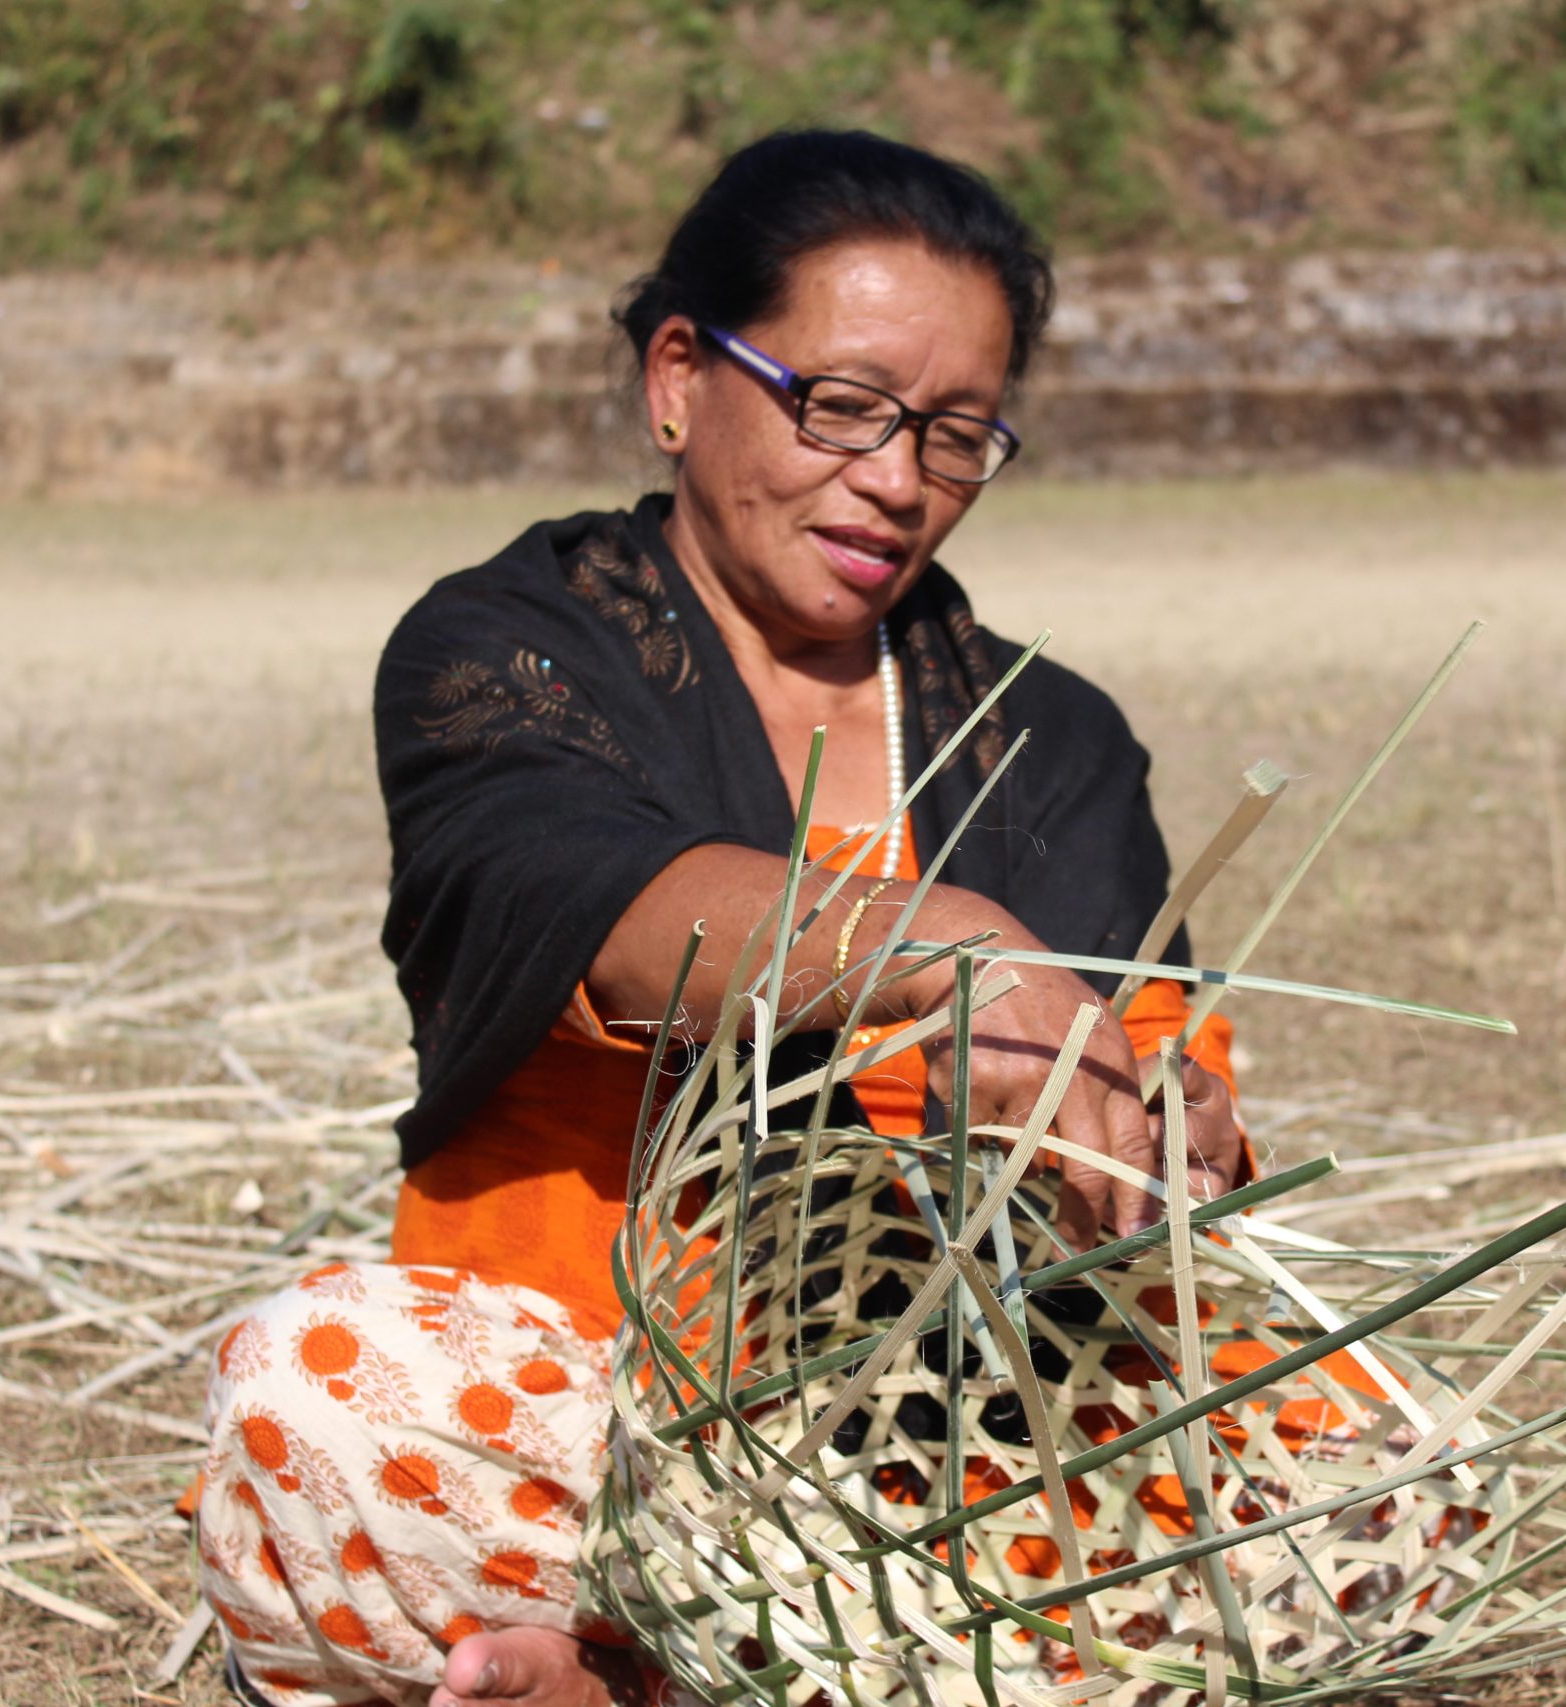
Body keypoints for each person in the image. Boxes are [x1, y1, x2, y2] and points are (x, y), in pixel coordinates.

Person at [194, 130, 1246, 1707]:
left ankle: (668, 1678)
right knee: (321, 1396)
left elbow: (1156, 1075)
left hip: (971, 1455)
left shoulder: (1050, 733)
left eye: (956, 438)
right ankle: (749, 1642)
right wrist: (945, 952)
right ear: (679, 376)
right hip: (607, 1437)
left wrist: (1162, 1144)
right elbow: (608, 907)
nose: (896, 481)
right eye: (844, 407)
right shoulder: (513, 648)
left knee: (1386, 1475)